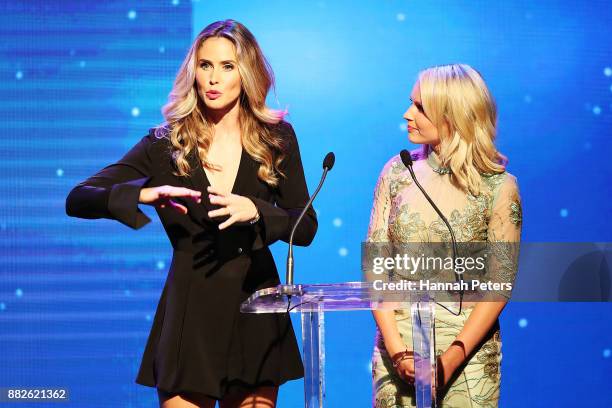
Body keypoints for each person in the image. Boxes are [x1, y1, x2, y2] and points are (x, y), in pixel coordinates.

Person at [65, 20, 317, 408]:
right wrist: (144, 193)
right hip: (190, 314)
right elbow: (80, 198)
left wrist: (257, 210)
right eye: (205, 65)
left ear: (247, 74)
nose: (213, 79)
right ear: (193, 72)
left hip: (256, 309)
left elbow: (305, 225)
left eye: (227, 66)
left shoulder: (277, 138)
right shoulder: (165, 143)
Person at [367, 64, 522, 407]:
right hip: (399, 347)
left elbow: (501, 283)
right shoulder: (397, 172)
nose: (408, 114)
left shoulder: (499, 187)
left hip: (467, 357)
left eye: (420, 107)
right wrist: (398, 353)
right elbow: (376, 271)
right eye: (412, 103)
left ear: (452, 116)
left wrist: (448, 361)